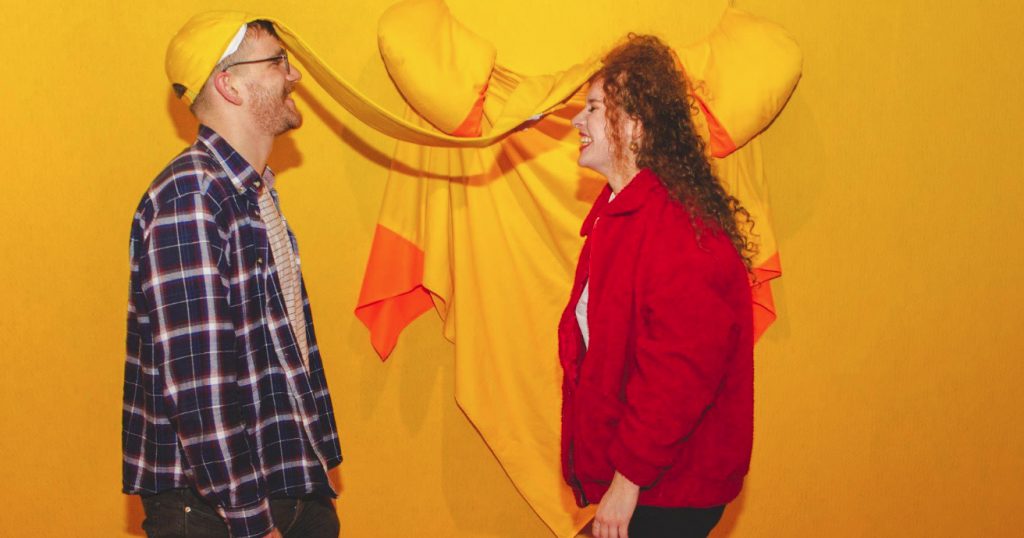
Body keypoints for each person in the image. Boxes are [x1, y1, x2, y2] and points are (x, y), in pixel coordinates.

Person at [123, 13, 342, 538]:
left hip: (287, 490)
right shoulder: (191, 199)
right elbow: (202, 388)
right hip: (217, 516)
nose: (294, 77)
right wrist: (250, 523)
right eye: (278, 63)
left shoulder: (251, 193)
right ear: (229, 84)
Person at [558, 34, 756, 538]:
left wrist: (627, 484)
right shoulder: (618, 214)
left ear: (636, 124)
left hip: (669, 490)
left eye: (595, 108)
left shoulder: (679, 230)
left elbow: (678, 376)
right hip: (645, 486)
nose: (578, 121)